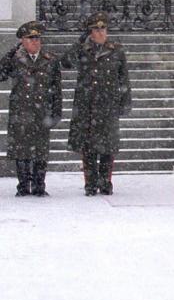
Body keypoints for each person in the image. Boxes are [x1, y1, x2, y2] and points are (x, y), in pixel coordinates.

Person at [59, 12, 131, 196]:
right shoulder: (83, 50)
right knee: (88, 147)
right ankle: (90, 183)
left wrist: (125, 101)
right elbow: (65, 62)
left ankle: (105, 181)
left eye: (103, 29)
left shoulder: (116, 50)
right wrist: (79, 43)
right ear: (90, 32)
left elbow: (123, 78)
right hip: (87, 105)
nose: (100, 33)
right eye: (96, 29)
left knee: (108, 148)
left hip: (108, 105)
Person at [0, 21, 62, 197]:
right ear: (23, 42)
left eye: (37, 38)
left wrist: (56, 112)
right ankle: (23, 186)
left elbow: (56, 88)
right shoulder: (15, 60)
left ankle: (39, 185)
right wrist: (11, 52)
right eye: (31, 38)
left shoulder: (50, 60)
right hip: (21, 112)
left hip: (41, 113)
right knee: (21, 151)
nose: (35, 42)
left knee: (41, 151)